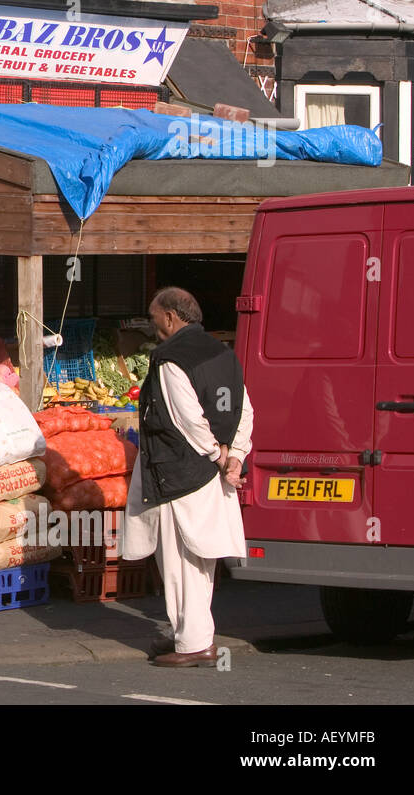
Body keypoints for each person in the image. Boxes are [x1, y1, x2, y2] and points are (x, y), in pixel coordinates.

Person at [122, 286, 253, 667]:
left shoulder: (169, 359)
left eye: (152, 317)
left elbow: (185, 419)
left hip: (180, 473)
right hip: (211, 476)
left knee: (180, 561)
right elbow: (245, 410)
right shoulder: (223, 353)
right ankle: (187, 635)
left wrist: (217, 453)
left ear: (170, 317)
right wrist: (236, 456)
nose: (151, 324)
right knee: (199, 561)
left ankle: (194, 645)